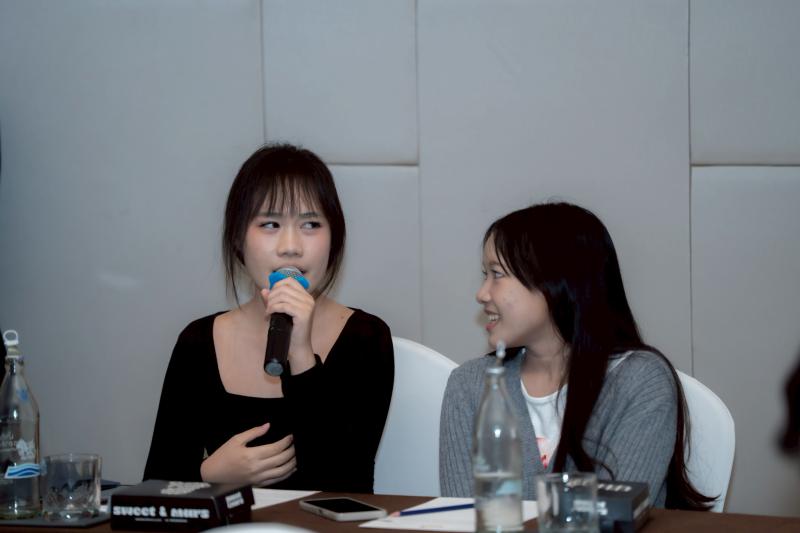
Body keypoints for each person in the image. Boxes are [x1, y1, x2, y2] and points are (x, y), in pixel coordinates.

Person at [144, 144, 394, 492]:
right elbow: (154, 488)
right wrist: (208, 474)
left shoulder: (366, 337)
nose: (290, 246)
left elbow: (345, 482)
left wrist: (301, 355)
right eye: (270, 224)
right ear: (237, 237)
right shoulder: (198, 342)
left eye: (311, 224)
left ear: (334, 238)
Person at [439, 202, 712, 509]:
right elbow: (463, 517)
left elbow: (612, 516)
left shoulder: (640, 382)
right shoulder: (470, 385)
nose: (481, 293)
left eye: (497, 274)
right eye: (484, 275)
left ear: (555, 281)